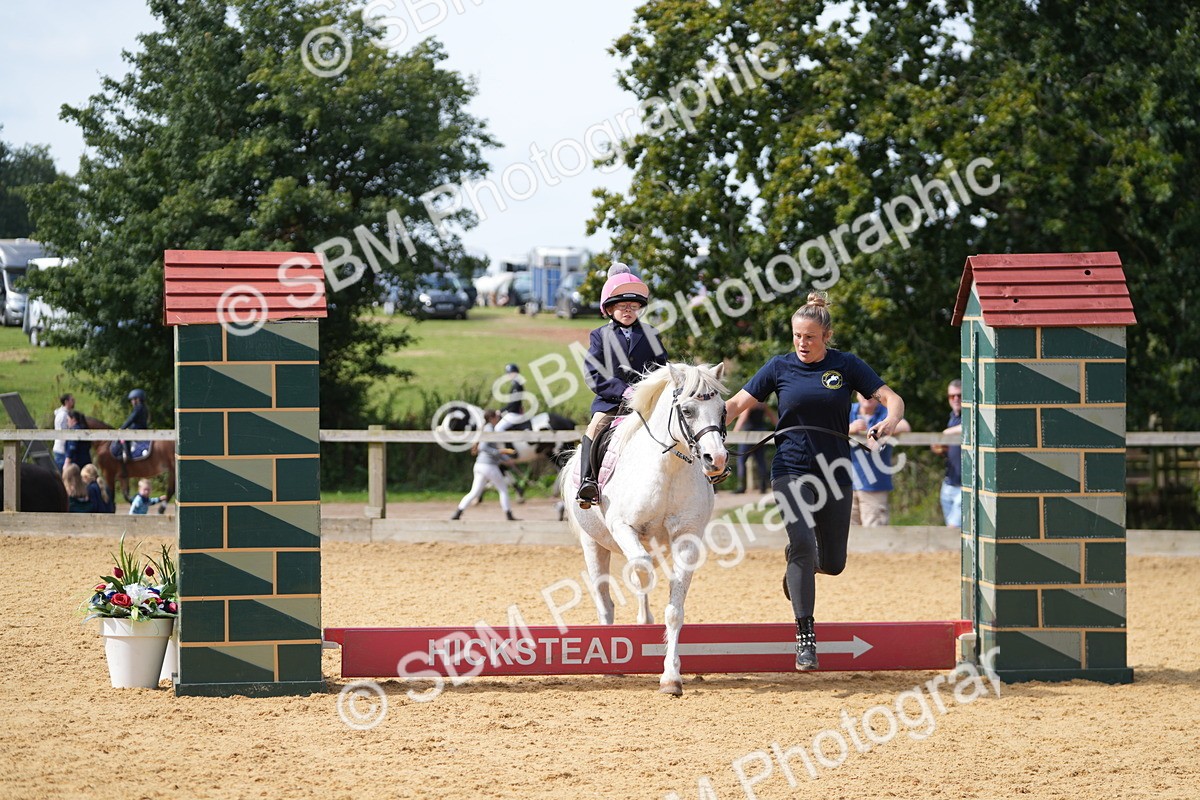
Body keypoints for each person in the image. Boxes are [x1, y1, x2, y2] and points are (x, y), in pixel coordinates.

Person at [725, 292, 905, 671]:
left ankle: (797, 566)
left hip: (835, 473)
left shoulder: (846, 365)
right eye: (797, 336)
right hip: (790, 469)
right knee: (804, 542)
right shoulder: (778, 367)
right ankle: (805, 638)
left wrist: (889, 421)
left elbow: (892, 398)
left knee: (834, 563)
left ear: (827, 336)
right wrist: (704, 428)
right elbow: (735, 405)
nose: (802, 343)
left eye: (810, 337)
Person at [576, 263, 669, 506]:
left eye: (633, 306)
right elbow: (593, 373)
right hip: (611, 402)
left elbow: (662, 367)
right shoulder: (599, 336)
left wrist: (647, 390)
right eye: (621, 306)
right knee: (594, 428)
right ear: (609, 309)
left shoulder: (650, 334)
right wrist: (623, 390)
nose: (628, 310)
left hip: (646, 401)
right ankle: (588, 481)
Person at [848, 391, 910, 526]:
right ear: (857, 395)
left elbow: (905, 426)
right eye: (863, 393)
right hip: (846, 484)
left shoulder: (885, 412)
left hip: (875, 485)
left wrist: (879, 430)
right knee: (848, 533)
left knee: (875, 532)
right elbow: (828, 428)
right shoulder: (848, 410)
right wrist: (850, 428)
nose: (867, 397)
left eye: (871, 394)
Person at [450, 409, 517, 521]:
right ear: (491, 418)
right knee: (503, 490)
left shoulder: (487, 429)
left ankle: (458, 512)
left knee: (474, 492)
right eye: (496, 417)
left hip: (480, 465)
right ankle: (508, 514)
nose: (498, 419)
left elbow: (490, 449)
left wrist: (505, 458)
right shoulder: (489, 429)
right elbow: (484, 447)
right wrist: (501, 454)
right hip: (489, 466)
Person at [931, 379, 963, 527]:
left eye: (960, 395)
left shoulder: (970, 415)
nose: (956, 399)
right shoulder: (953, 418)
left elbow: (969, 427)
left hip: (964, 486)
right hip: (949, 483)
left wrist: (945, 433)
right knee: (952, 531)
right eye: (952, 396)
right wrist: (939, 448)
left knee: (953, 529)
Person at [732, 400, 778, 494]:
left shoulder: (750, 404)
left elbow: (743, 418)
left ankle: (741, 486)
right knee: (760, 460)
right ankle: (763, 486)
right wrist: (780, 427)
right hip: (759, 435)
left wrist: (734, 432)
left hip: (747, 435)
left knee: (741, 460)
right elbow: (773, 417)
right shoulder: (763, 405)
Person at [118, 388, 149, 469]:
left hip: (138, 429)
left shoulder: (138, 408)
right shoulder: (144, 407)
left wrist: (122, 428)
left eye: (133, 399)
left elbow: (131, 419)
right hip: (141, 428)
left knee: (124, 437)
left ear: (137, 399)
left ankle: (129, 458)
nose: (132, 402)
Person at [494, 363, 525, 433]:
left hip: (514, 414)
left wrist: (501, 411)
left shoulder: (517, 386)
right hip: (512, 412)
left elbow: (514, 404)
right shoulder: (516, 384)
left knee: (498, 428)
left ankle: (507, 440)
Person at [52, 393, 74, 472]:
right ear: (66, 402)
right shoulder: (63, 415)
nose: (74, 402)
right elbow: (63, 432)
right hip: (61, 449)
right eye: (72, 400)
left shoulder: (64, 414)